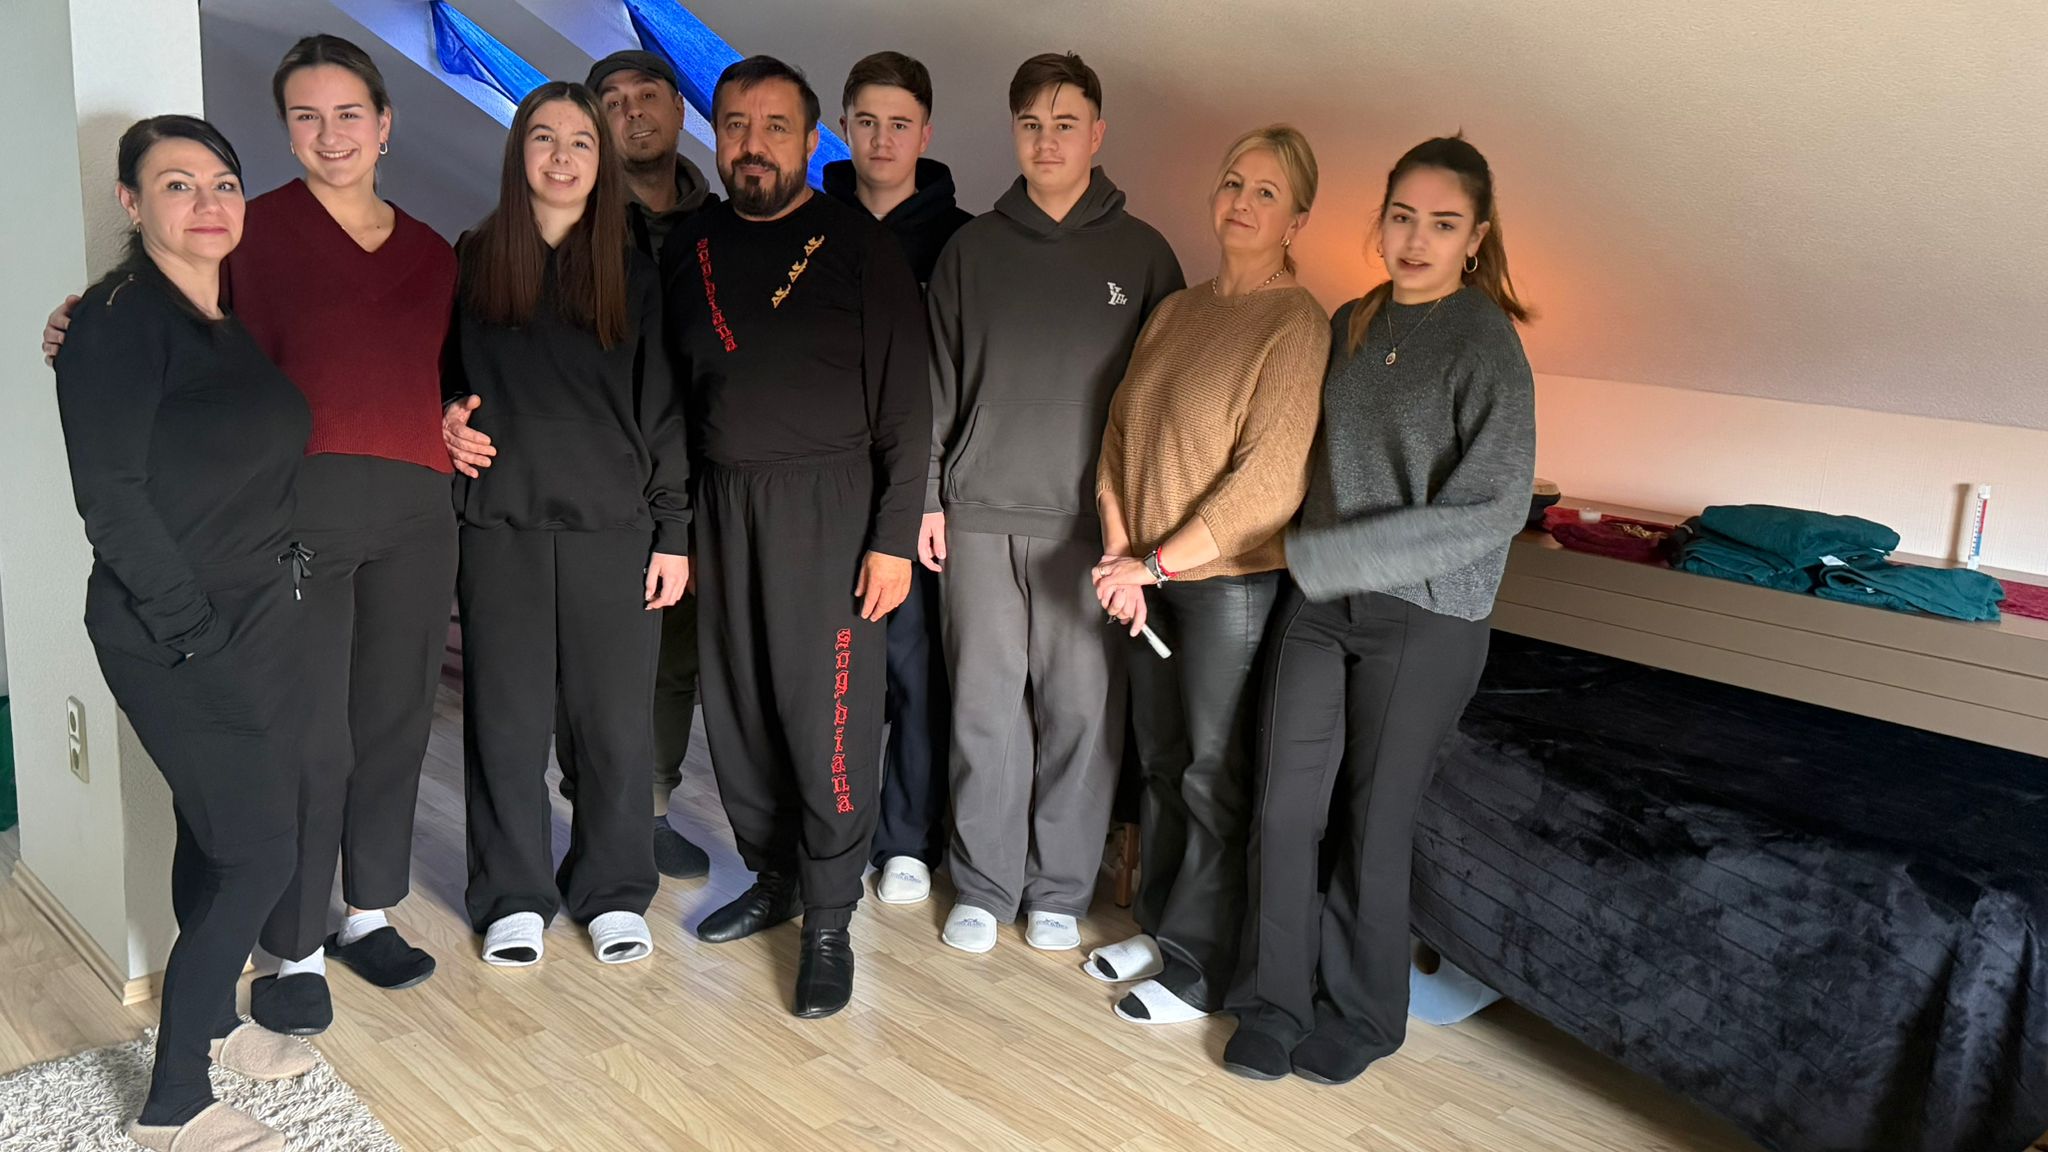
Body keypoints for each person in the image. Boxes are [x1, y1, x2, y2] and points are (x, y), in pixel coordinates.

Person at [44, 34, 457, 1037]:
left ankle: (368, 912)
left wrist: (456, 417)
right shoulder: (245, 228)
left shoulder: (435, 249)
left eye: (349, 113)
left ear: (385, 124)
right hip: (300, 514)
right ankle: (292, 945)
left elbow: (441, 369)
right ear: (285, 131)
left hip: (416, 508)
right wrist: (78, 318)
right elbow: (174, 318)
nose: (330, 133)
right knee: (311, 737)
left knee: (395, 721)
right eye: (305, 117)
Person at [1221, 135, 1536, 1086]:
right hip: (1322, 604)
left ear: (1475, 236)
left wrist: (1328, 554)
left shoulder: (1486, 342)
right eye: (1402, 217)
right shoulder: (1353, 321)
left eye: (1442, 224)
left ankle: (1362, 1015)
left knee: (1373, 820)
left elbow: (1494, 507)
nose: (1415, 239)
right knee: (1282, 806)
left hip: (1427, 618)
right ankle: (1272, 1002)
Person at [55, 115, 318, 1152]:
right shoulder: (117, 322)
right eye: (177, 184)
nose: (208, 202)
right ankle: (171, 1106)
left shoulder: (216, 315)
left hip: (255, 614)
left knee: (216, 832)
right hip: (174, 628)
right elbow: (110, 500)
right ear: (131, 202)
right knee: (259, 852)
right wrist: (194, 631)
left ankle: (209, 1021)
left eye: (223, 182)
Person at [661, 55, 927, 1019]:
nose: (753, 144)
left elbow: (907, 409)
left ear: (811, 141)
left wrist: (893, 539)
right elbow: (668, 399)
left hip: (832, 510)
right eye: (736, 124)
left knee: (828, 720)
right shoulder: (688, 246)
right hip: (722, 503)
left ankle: (828, 917)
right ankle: (773, 878)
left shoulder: (861, 246)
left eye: (776, 126)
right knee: (738, 710)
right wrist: (677, 525)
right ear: (716, 136)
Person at [924, 52, 1184, 955]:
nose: (1047, 141)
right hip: (980, 514)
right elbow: (936, 386)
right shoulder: (972, 250)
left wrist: (1142, 538)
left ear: (1097, 134)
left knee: (1082, 715)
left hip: (1094, 532)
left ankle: (1060, 889)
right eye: (1031, 124)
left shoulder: (1144, 255)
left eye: (1065, 124)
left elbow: (1163, 406)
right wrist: (927, 497)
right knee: (983, 711)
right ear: (1013, 133)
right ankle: (984, 885)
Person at [448, 50, 722, 883]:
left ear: (601, 160)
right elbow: (435, 375)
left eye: (581, 141)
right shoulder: (471, 258)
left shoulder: (632, 272)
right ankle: (511, 896)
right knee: (505, 723)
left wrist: (673, 533)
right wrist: (444, 415)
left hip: (616, 531)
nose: (562, 156)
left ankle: (612, 887)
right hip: (501, 525)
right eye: (544, 138)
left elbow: (663, 409)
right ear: (518, 153)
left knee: (613, 728)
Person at [1088, 125, 1328, 1025]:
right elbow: (1117, 437)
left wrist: (1151, 563)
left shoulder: (1296, 324)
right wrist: (1121, 558)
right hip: (1145, 582)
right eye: (1233, 182)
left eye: (1267, 192)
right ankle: (1160, 930)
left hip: (1227, 587)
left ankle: (1200, 966)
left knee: (1210, 774)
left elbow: (1268, 484)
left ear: (1297, 218)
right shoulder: (1176, 311)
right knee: (1158, 764)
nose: (1242, 202)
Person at [821, 50, 973, 907]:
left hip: (917, 491)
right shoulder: (808, 226)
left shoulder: (961, 242)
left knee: (916, 667)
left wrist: (934, 492)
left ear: (927, 132)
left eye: (900, 124)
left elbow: (967, 375)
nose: (882, 139)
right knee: (830, 669)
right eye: (867, 121)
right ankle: (827, 827)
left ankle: (907, 838)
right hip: (820, 486)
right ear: (844, 125)